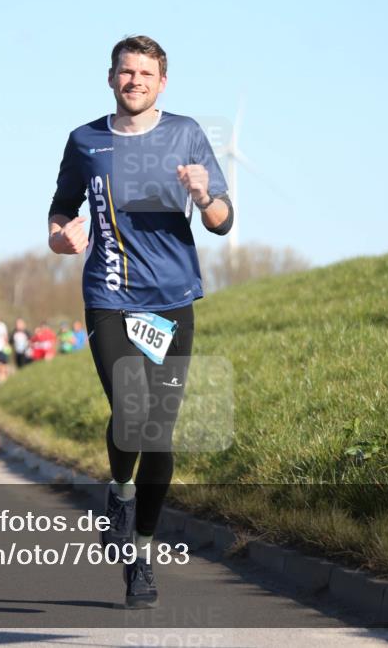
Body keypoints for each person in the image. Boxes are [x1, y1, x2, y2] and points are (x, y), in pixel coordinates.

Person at [47, 35, 233, 609]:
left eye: (146, 74)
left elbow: (224, 221)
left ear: (163, 82)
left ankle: (141, 553)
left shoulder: (186, 134)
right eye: (126, 72)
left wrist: (205, 199)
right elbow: (60, 209)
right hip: (109, 297)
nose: (135, 81)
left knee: (159, 436)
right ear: (111, 79)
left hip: (172, 300)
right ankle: (118, 492)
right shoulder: (86, 141)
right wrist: (61, 237)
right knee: (131, 411)